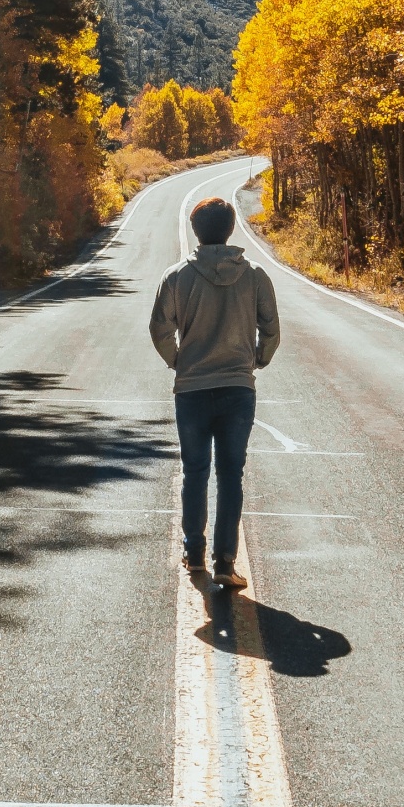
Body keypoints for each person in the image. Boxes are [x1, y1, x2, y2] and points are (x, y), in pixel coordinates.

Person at [149, 194, 280, 587]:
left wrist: (178, 361)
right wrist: (258, 359)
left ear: (195, 231)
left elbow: (159, 329)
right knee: (230, 474)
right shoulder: (255, 275)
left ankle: (192, 553)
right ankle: (224, 561)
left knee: (194, 471)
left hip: (191, 389)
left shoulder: (176, 276)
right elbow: (270, 328)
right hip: (238, 388)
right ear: (232, 228)